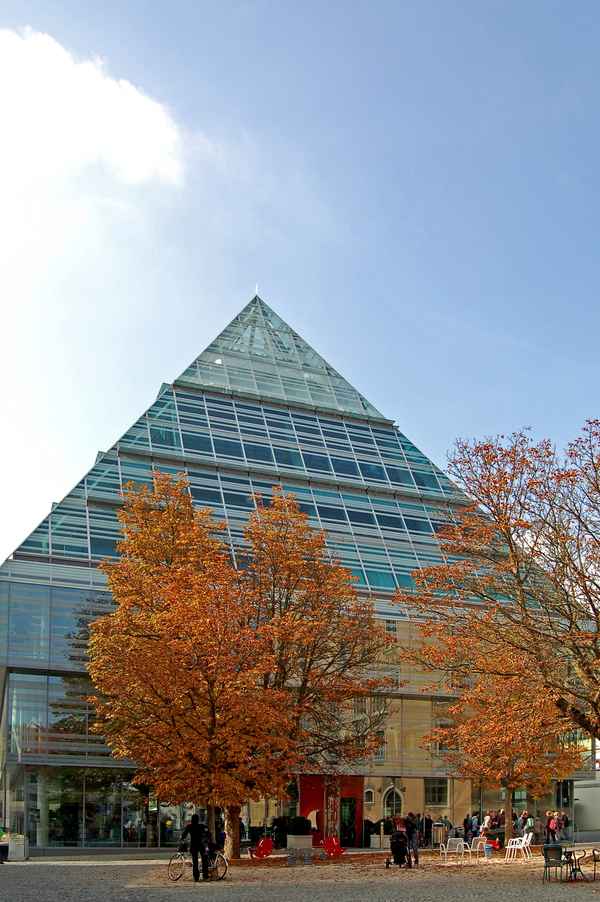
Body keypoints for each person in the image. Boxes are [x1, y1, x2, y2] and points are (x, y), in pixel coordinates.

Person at [181, 814, 212, 883]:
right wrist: (207, 839)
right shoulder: (201, 826)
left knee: (195, 862)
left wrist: (182, 839)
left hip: (193, 845)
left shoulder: (189, 826)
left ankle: (196, 877)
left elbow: (184, 834)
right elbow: (208, 833)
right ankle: (205, 876)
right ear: (198, 819)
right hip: (201, 845)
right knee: (204, 860)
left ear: (192, 819)